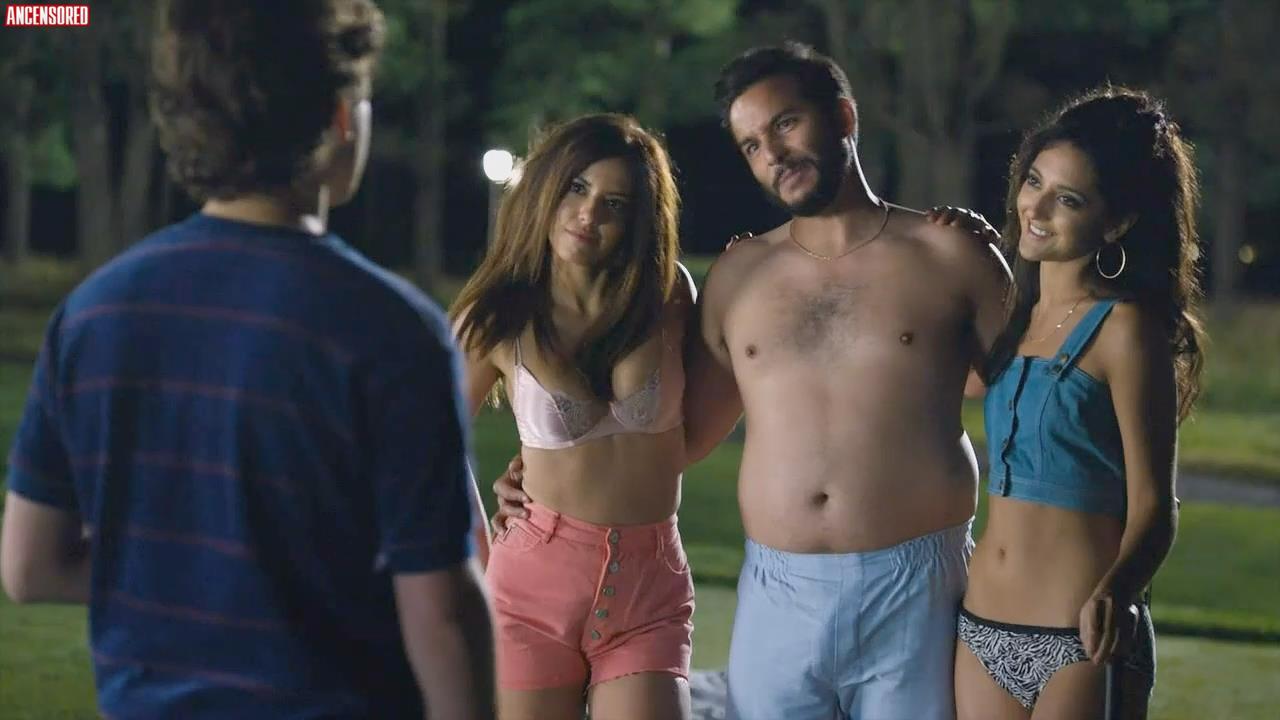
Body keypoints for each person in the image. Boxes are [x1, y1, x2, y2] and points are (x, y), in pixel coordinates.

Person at [0, 2, 494, 718]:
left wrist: (197, 573)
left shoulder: (93, 313)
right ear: (341, 117)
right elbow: (441, 609)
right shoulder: (392, 330)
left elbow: (29, 566)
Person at [494, 43, 1012, 719]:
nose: (774, 153)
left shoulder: (949, 253)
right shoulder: (740, 276)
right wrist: (540, 471)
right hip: (778, 591)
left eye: (786, 123)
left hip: (915, 584)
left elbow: (1032, 408)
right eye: (751, 145)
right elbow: (672, 438)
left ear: (844, 117)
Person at [950, 87, 1203, 720]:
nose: (1035, 208)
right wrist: (959, 243)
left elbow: (1156, 508)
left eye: (1068, 199)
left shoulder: (1126, 328)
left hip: (1082, 639)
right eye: (1034, 181)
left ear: (1115, 224)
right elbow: (936, 367)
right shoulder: (1014, 315)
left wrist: (1118, 590)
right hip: (979, 630)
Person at [450, 113, 696, 720]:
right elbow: (430, 447)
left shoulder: (670, 297)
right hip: (530, 588)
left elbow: (693, 425)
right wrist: (481, 555)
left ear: (638, 219)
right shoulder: (496, 315)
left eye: (615, 202)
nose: (589, 214)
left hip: (649, 587)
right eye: (577, 188)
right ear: (546, 188)